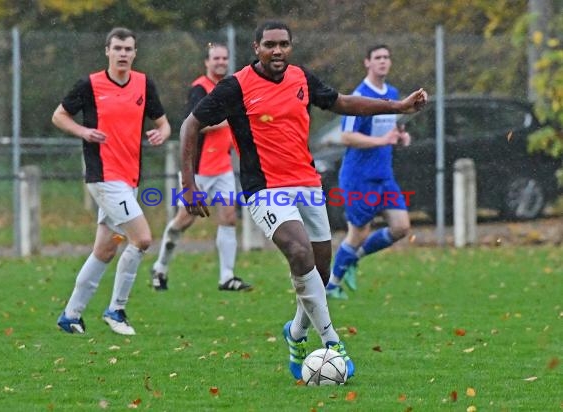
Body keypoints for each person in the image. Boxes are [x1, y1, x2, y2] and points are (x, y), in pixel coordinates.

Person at [179, 21, 427, 380]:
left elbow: (341, 102)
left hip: (308, 184)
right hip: (264, 188)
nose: (276, 51)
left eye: (283, 44)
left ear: (290, 47)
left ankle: (296, 335)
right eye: (269, 45)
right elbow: (190, 124)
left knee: (319, 273)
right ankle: (332, 341)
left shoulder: (301, 78)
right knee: (299, 253)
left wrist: (398, 106)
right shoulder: (237, 86)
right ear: (256, 47)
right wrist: (188, 184)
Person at [53, 27, 171, 335]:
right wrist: (83, 132)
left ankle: (71, 315)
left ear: (135, 53)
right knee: (142, 239)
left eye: (128, 49)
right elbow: (59, 115)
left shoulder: (144, 84)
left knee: (105, 249)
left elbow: (163, 122)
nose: (122, 53)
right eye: (117, 48)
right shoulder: (90, 85)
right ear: (107, 51)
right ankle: (116, 309)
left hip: (129, 177)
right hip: (103, 177)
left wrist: (162, 133)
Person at [150, 43, 252, 292]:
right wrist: (228, 119)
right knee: (184, 220)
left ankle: (226, 277)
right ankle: (160, 267)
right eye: (215, 58)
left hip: (222, 167)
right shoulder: (199, 89)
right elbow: (192, 124)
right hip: (197, 170)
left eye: (224, 58)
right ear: (206, 62)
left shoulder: (229, 88)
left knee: (228, 217)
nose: (220, 61)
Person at [326, 44, 412, 300]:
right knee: (358, 233)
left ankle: (354, 258)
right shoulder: (359, 96)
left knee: (401, 227)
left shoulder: (393, 93)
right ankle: (332, 284)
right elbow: (347, 136)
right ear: (367, 63)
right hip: (358, 176)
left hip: (384, 176)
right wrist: (381, 141)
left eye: (387, 57)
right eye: (378, 58)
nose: (383, 62)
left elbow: (392, 129)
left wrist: (400, 137)